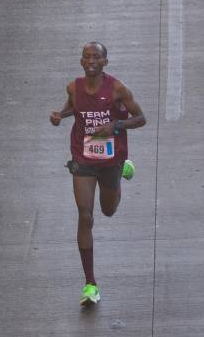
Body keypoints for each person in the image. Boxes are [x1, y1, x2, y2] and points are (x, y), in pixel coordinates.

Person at [50, 42, 146, 305]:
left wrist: (115, 126)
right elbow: (73, 107)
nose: (91, 61)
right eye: (87, 57)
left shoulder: (117, 89)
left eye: (96, 57)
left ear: (105, 62)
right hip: (83, 157)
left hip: (110, 159)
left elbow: (140, 118)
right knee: (85, 214)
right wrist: (61, 115)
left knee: (108, 210)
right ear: (81, 61)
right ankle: (90, 284)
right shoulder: (73, 87)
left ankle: (123, 169)